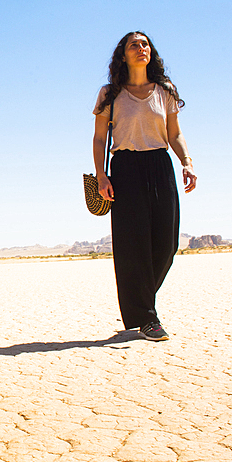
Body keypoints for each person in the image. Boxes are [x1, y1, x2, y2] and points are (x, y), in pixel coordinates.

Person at [92, 31, 196, 340]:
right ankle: (148, 318)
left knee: (167, 244)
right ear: (122, 55)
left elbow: (174, 132)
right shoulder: (110, 93)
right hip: (125, 169)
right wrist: (101, 175)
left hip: (160, 165)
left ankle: (140, 303)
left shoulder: (165, 91)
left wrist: (187, 162)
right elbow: (99, 138)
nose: (142, 48)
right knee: (133, 246)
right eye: (134, 44)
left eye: (145, 43)